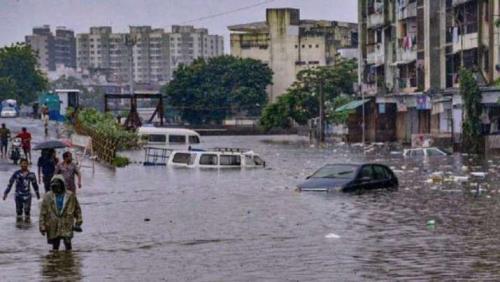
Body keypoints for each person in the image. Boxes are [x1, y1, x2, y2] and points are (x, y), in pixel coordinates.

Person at [39, 175, 82, 251]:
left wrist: (78, 222)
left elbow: (77, 209)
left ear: (62, 185)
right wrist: (42, 226)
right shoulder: (48, 196)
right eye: (54, 186)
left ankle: (68, 260)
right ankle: (55, 261)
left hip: (66, 223)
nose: (56, 188)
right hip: (53, 224)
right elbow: (43, 213)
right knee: (55, 245)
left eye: (57, 186)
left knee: (68, 244)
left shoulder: (70, 195)